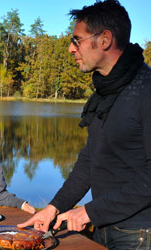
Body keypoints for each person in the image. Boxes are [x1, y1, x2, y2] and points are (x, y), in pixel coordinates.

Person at [18, 1, 151, 249]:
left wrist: (89, 212)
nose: (70, 48)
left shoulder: (146, 90)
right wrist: (53, 208)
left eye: (76, 40)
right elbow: (91, 160)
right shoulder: (105, 92)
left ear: (105, 40)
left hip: (140, 233)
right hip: (105, 228)